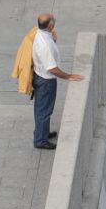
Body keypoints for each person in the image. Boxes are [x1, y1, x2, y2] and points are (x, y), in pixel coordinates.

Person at [31, 12, 83, 150]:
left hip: (40, 76)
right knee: (44, 110)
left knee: (42, 109)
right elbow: (52, 68)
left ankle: (43, 133)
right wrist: (69, 76)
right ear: (51, 25)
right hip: (45, 82)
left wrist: (53, 40)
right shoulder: (45, 45)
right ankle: (40, 141)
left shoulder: (40, 34)